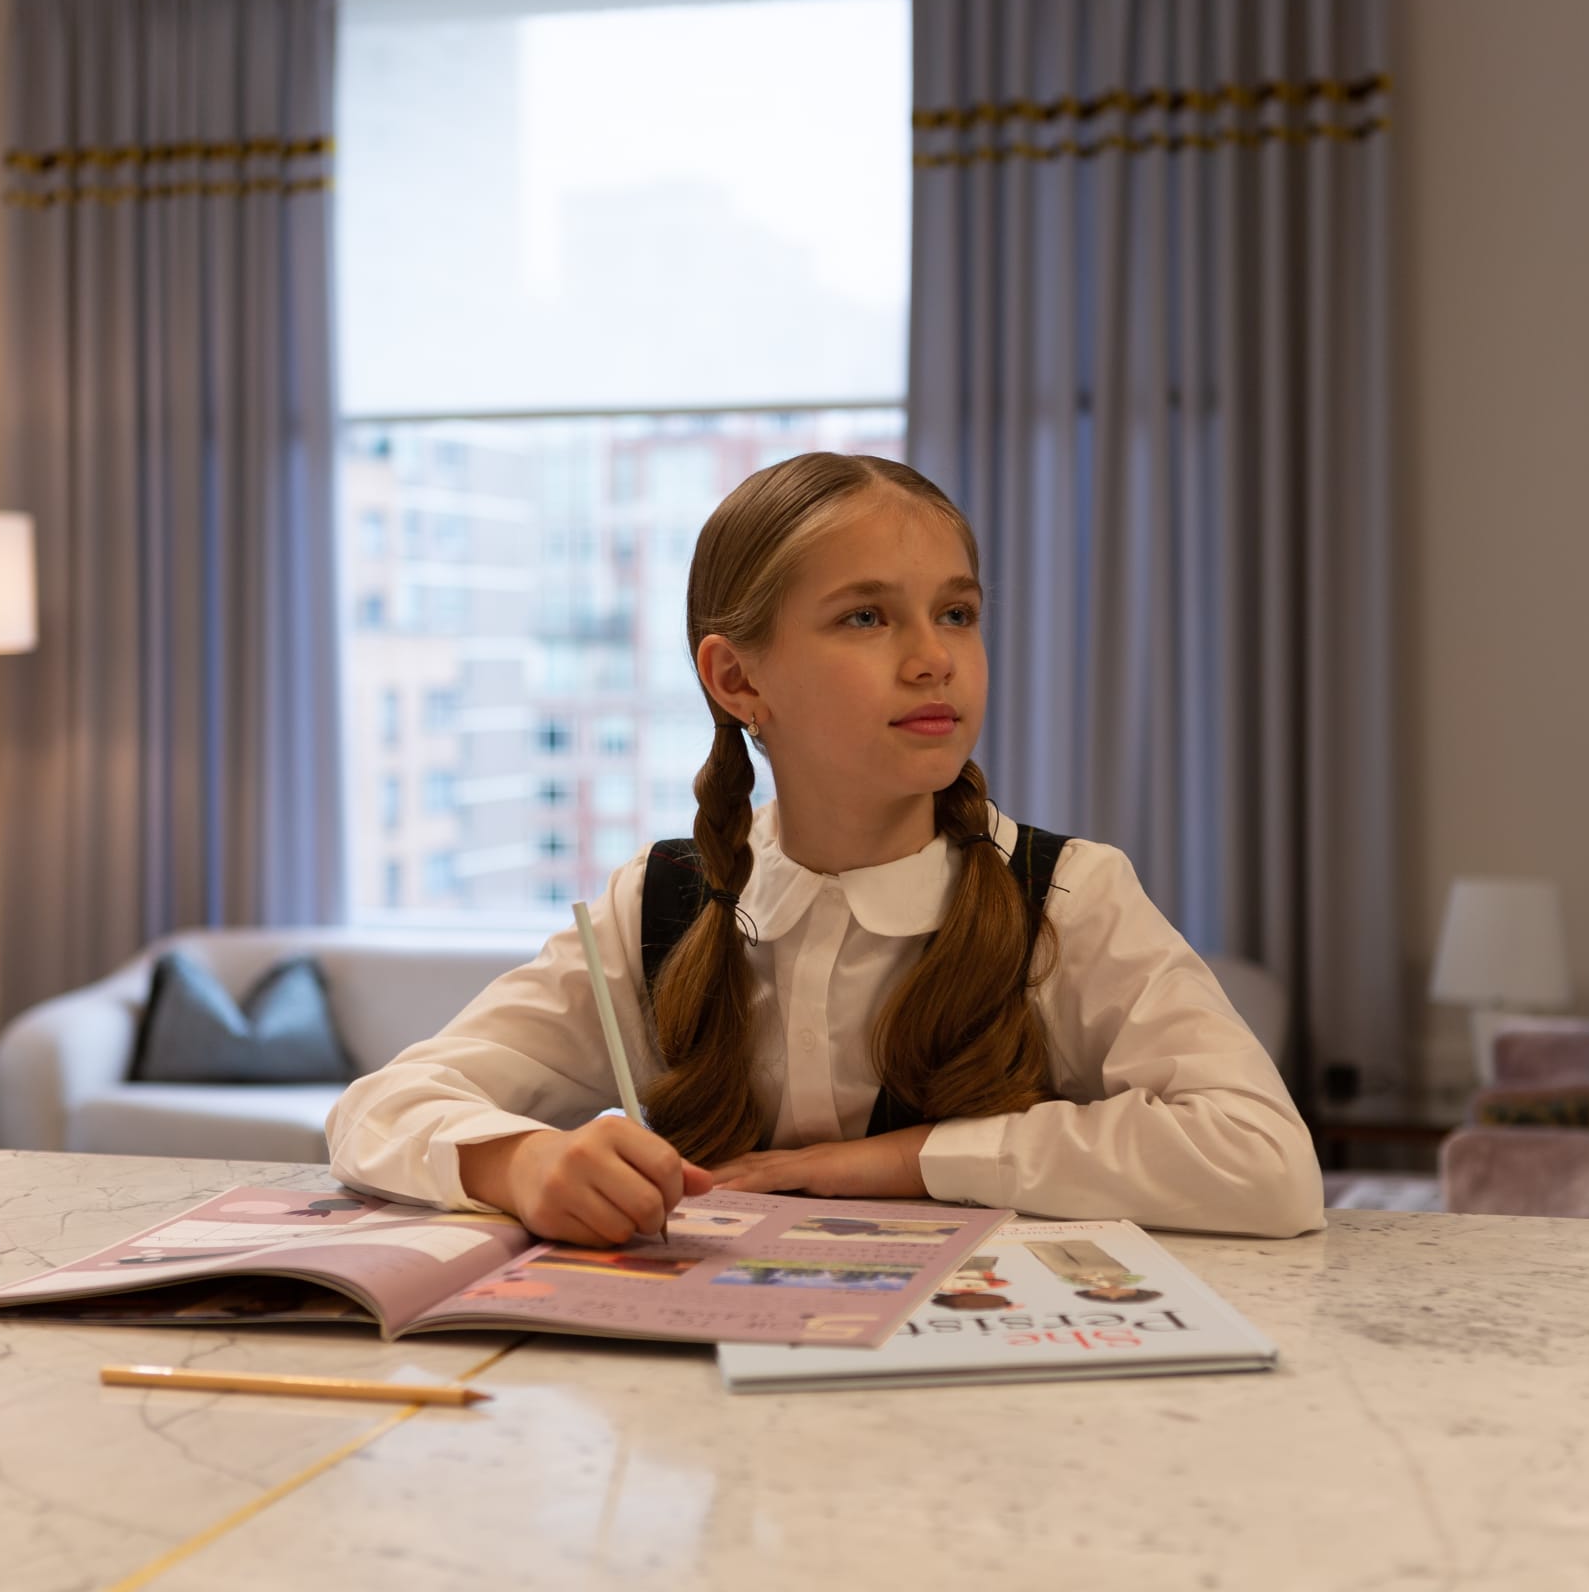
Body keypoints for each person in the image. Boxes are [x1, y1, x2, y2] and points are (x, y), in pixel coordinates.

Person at [326, 452, 1325, 1247]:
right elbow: (380, 1108)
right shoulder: (659, 909)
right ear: (738, 679)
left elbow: (1264, 1161)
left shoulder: (1069, 896)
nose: (934, 655)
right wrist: (521, 1164)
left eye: (957, 613)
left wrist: (885, 1161)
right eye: (867, 615)